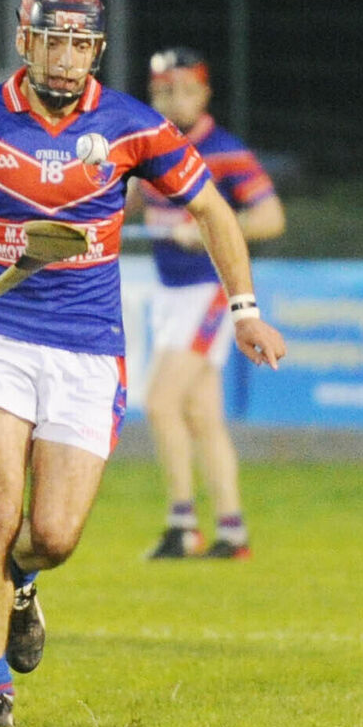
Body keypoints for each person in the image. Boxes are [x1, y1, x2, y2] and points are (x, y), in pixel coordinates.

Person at [0, 0, 286, 727]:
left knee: (53, 537)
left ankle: (22, 583)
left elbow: (211, 208)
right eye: (54, 40)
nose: (68, 59)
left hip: (88, 349)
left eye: (82, 44)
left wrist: (244, 309)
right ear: (25, 40)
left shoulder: (131, 124)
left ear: (97, 49)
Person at [136, 47, 286, 561]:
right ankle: (232, 531)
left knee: (160, 403)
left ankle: (182, 526)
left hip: (209, 294)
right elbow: (130, 198)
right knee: (202, 416)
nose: (171, 100)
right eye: (160, 91)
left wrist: (205, 232)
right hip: (170, 294)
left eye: (182, 89)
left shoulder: (224, 151)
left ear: (204, 93)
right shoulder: (150, 149)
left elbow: (269, 218)